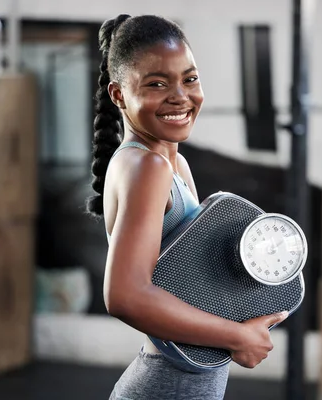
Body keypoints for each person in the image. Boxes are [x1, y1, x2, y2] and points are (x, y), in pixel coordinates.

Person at [86, 14, 288, 400]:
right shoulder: (148, 166)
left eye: (190, 79)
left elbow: (191, 282)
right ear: (118, 95)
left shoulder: (172, 163)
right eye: (157, 84)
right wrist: (237, 336)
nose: (180, 96)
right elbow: (125, 296)